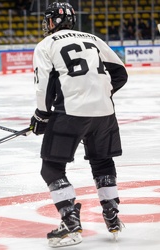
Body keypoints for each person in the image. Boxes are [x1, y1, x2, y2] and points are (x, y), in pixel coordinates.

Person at [29, 2, 128, 247]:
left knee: (51, 167)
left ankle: (70, 221)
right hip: (105, 113)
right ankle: (112, 215)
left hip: (71, 113)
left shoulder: (46, 44)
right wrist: (99, 93)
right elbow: (120, 72)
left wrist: (41, 115)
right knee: (102, 161)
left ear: (51, 22)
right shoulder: (94, 38)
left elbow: (43, 84)